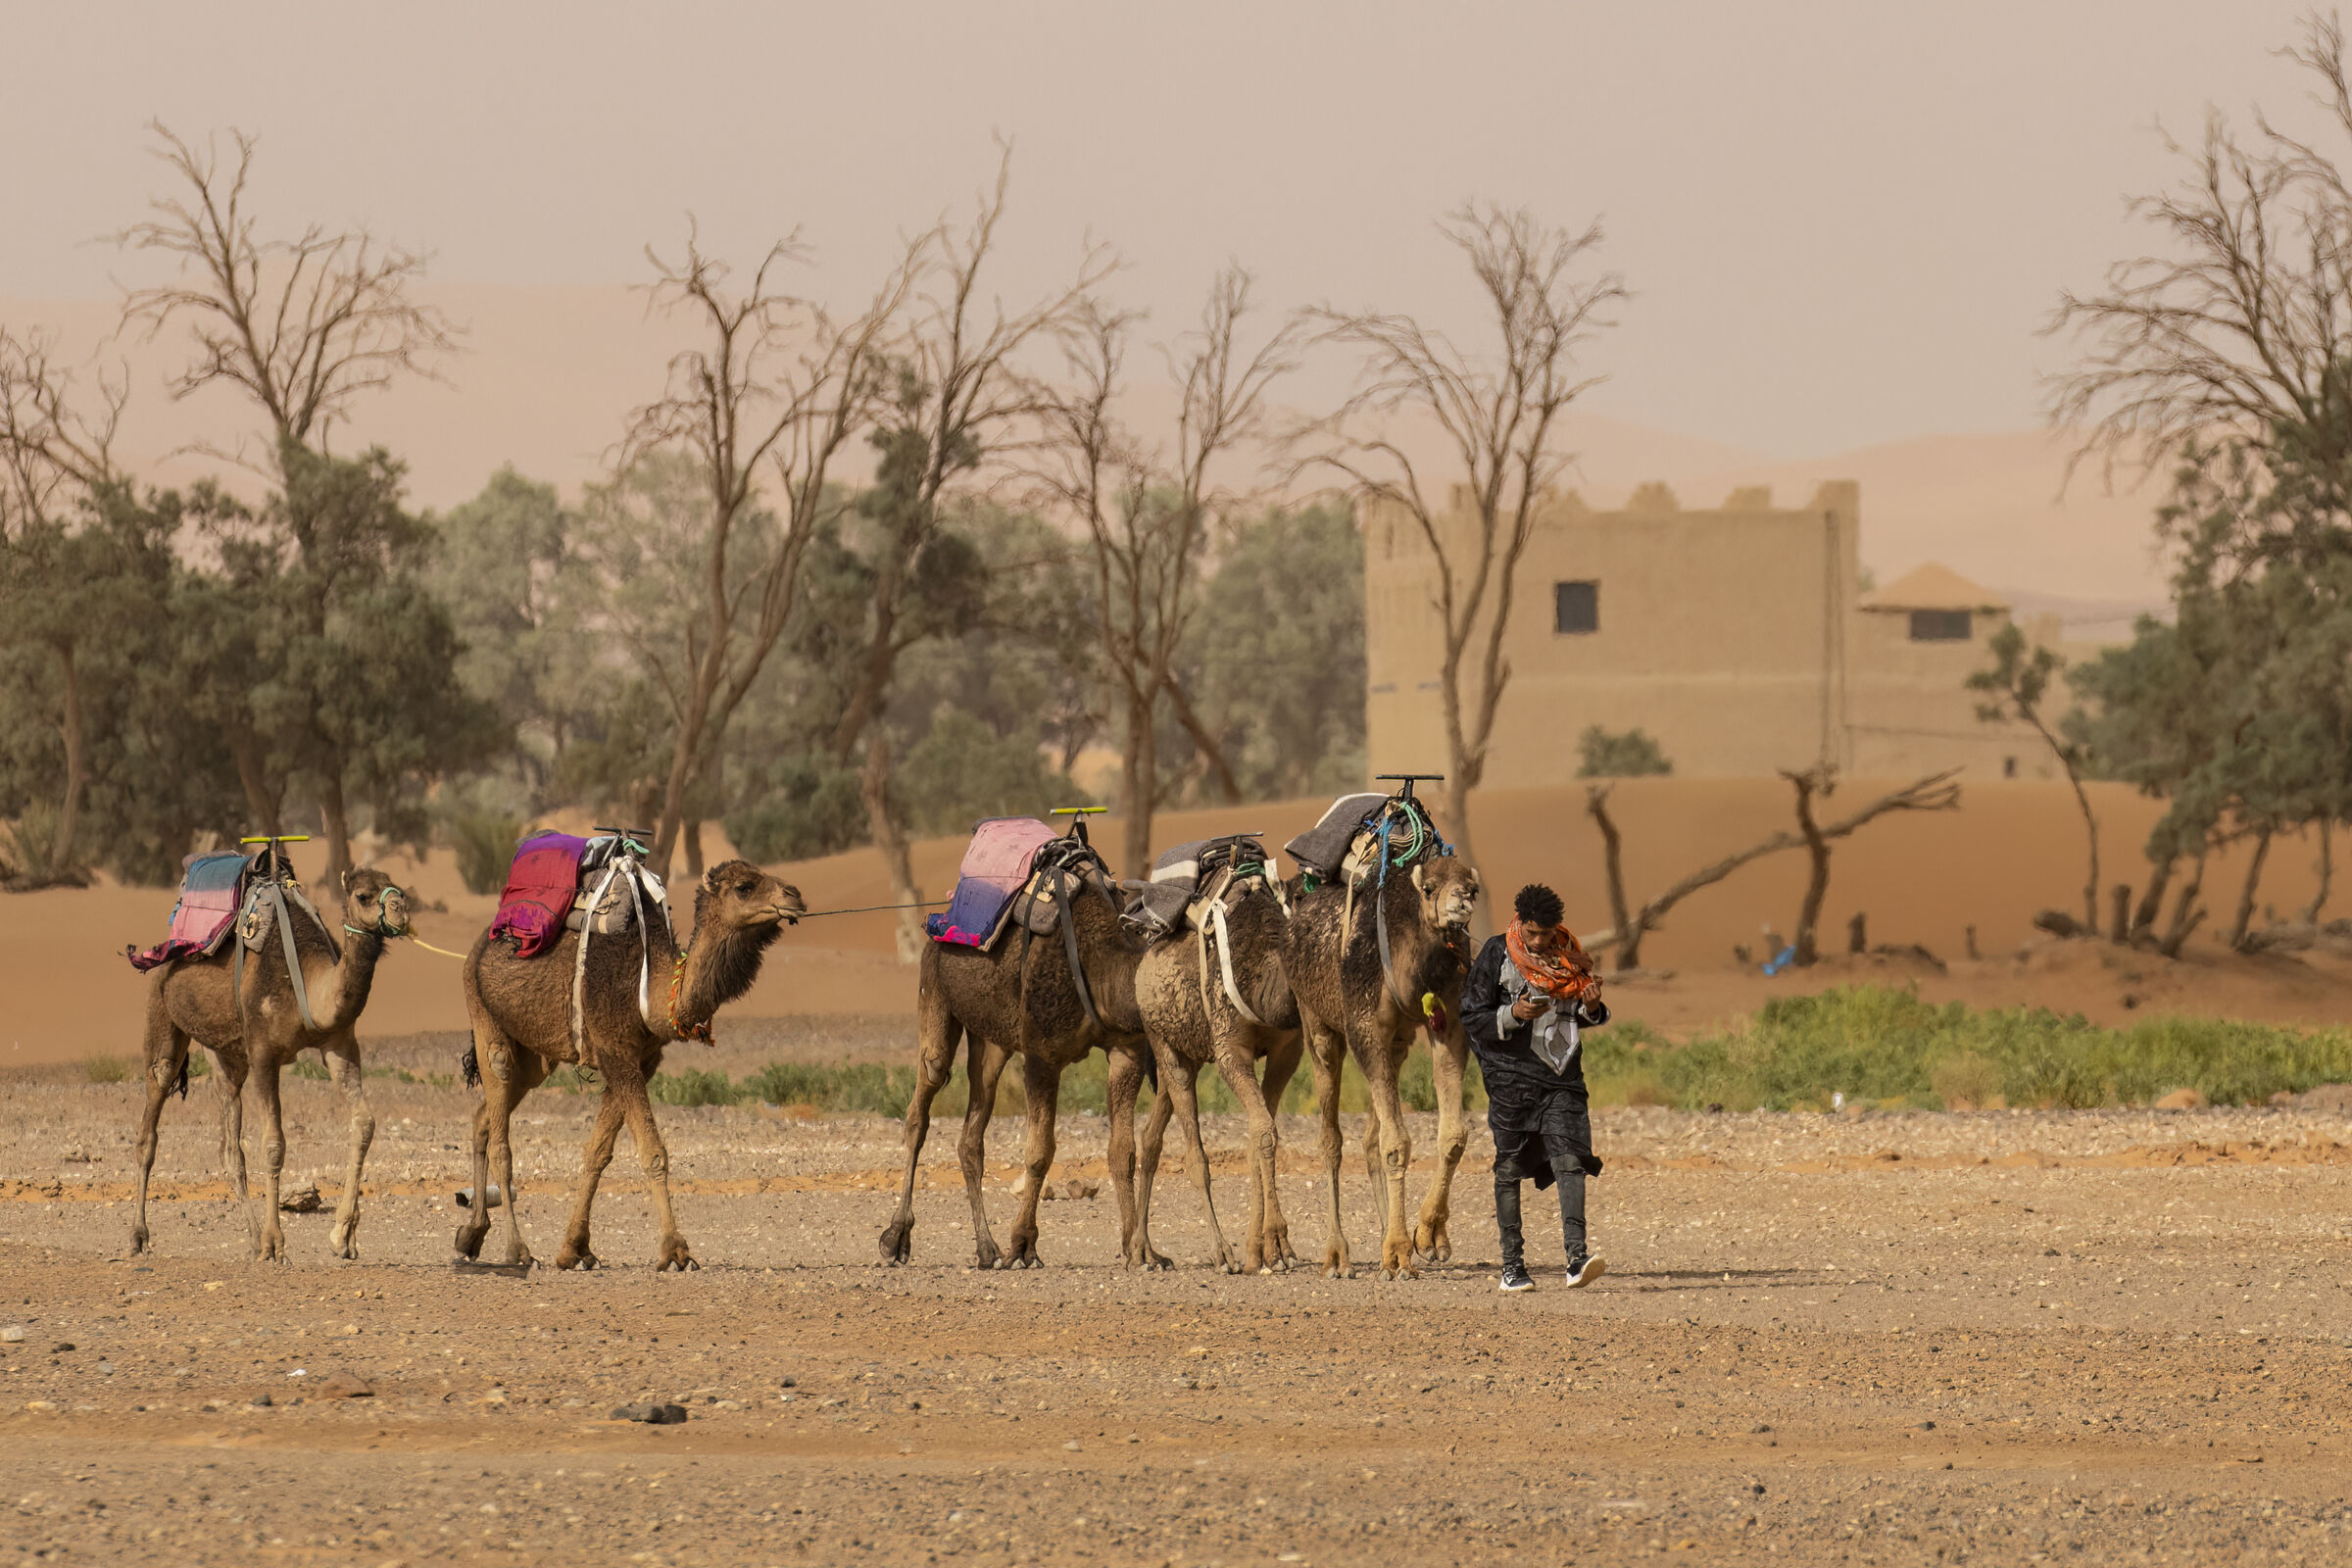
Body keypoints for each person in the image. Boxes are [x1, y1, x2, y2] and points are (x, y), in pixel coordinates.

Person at [1463, 882, 1610, 1293]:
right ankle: (1512, 1267)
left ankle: (1576, 1259)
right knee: (1509, 1169)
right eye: (1533, 933)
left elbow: (1577, 1015)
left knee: (1570, 1159)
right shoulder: (1497, 953)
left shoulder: (1569, 956)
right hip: (1510, 1080)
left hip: (1562, 1078)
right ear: (1520, 924)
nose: (1540, 941)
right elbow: (1471, 1015)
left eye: (1546, 933)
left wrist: (1592, 1006)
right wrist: (1514, 1013)